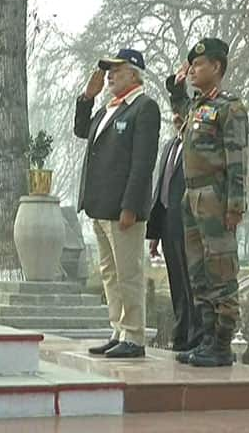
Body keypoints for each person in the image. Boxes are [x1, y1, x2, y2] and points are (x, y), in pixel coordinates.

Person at [166, 38, 248, 367]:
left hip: (215, 196)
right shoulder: (198, 107)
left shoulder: (230, 108)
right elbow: (179, 110)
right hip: (191, 197)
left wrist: (235, 206)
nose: (194, 70)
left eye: (199, 65)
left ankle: (222, 344)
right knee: (198, 272)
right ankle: (206, 339)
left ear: (217, 67)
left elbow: (237, 161)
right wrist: (176, 88)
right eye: (192, 66)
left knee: (221, 272)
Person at [74, 48, 160, 358]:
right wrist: (88, 97)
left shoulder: (144, 108)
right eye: (108, 70)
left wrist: (132, 206)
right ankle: (119, 329)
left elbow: (142, 163)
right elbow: (81, 131)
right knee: (110, 273)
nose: (110, 75)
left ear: (135, 73)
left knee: (128, 272)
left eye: (117, 70)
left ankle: (134, 336)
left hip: (123, 208)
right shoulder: (107, 108)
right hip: (99, 206)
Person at [146, 112, 203, 352]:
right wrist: (155, 233)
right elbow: (161, 188)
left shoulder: (196, 146)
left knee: (193, 283)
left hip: (190, 223)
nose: (178, 117)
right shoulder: (169, 146)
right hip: (168, 224)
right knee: (176, 283)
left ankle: (197, 337)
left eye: (183, 113)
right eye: (175, 113)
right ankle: (181, 335)